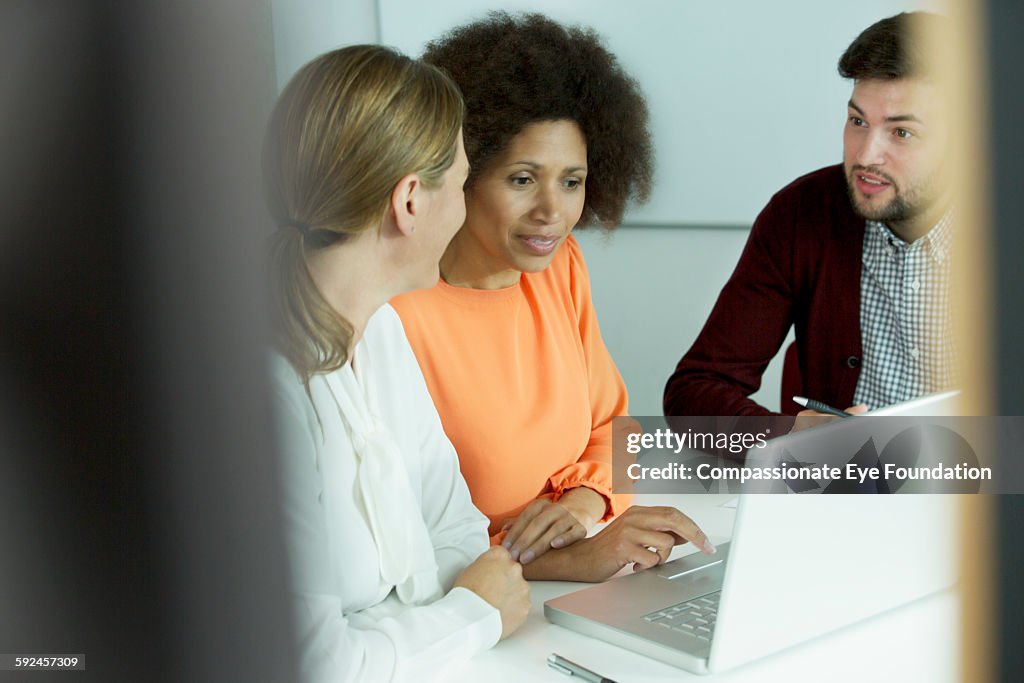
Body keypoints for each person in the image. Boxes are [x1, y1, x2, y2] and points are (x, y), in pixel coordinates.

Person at [392, 13, 714, 583]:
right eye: (522, 179)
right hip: (466, 610)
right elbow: (398, 535)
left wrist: (581, 505)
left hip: (560, 582)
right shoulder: (393, 309)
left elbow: (613, 429)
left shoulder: (558, 270)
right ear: (461, 175)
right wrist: (568, 560)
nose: (553, 212)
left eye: (572, 181)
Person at [265, 46, 530, 683]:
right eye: (463, 186)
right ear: (410, 201)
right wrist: (468, 615)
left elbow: (459, 531)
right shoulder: (266, 386)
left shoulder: (379, 328)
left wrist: (388, 633)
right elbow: (315, 664)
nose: (467, 210)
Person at [664, 12, 954, 423]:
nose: (866, 155)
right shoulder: (802, 214)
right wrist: (788, 437)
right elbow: (693, 394)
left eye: (902, 132)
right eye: (857, 121)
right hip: (847, 483)